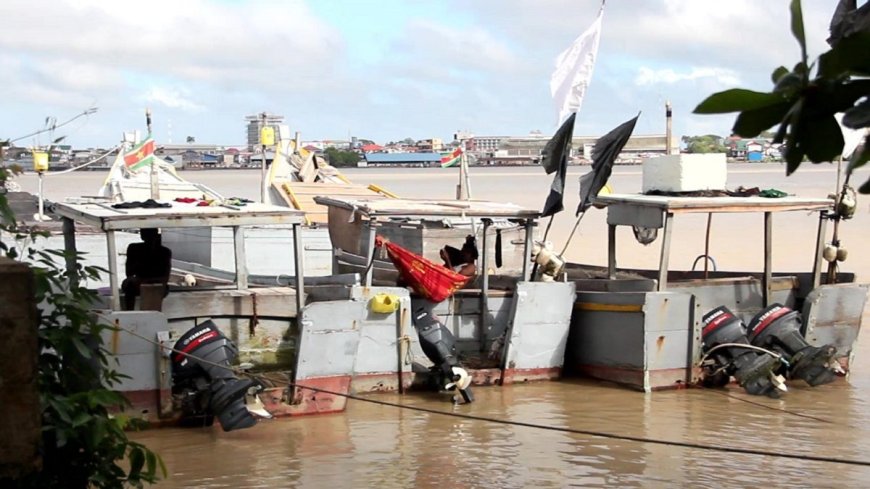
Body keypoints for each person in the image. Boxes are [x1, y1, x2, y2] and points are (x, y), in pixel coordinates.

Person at [122, 228, 172, 310]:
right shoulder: (165, 251)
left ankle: (129, 311)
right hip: (158, 285)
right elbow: (166, 276)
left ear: (142, 235)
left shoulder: (134, 248)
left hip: (141, 284)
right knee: (129, 284)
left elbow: (129, 273)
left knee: (128, 285)